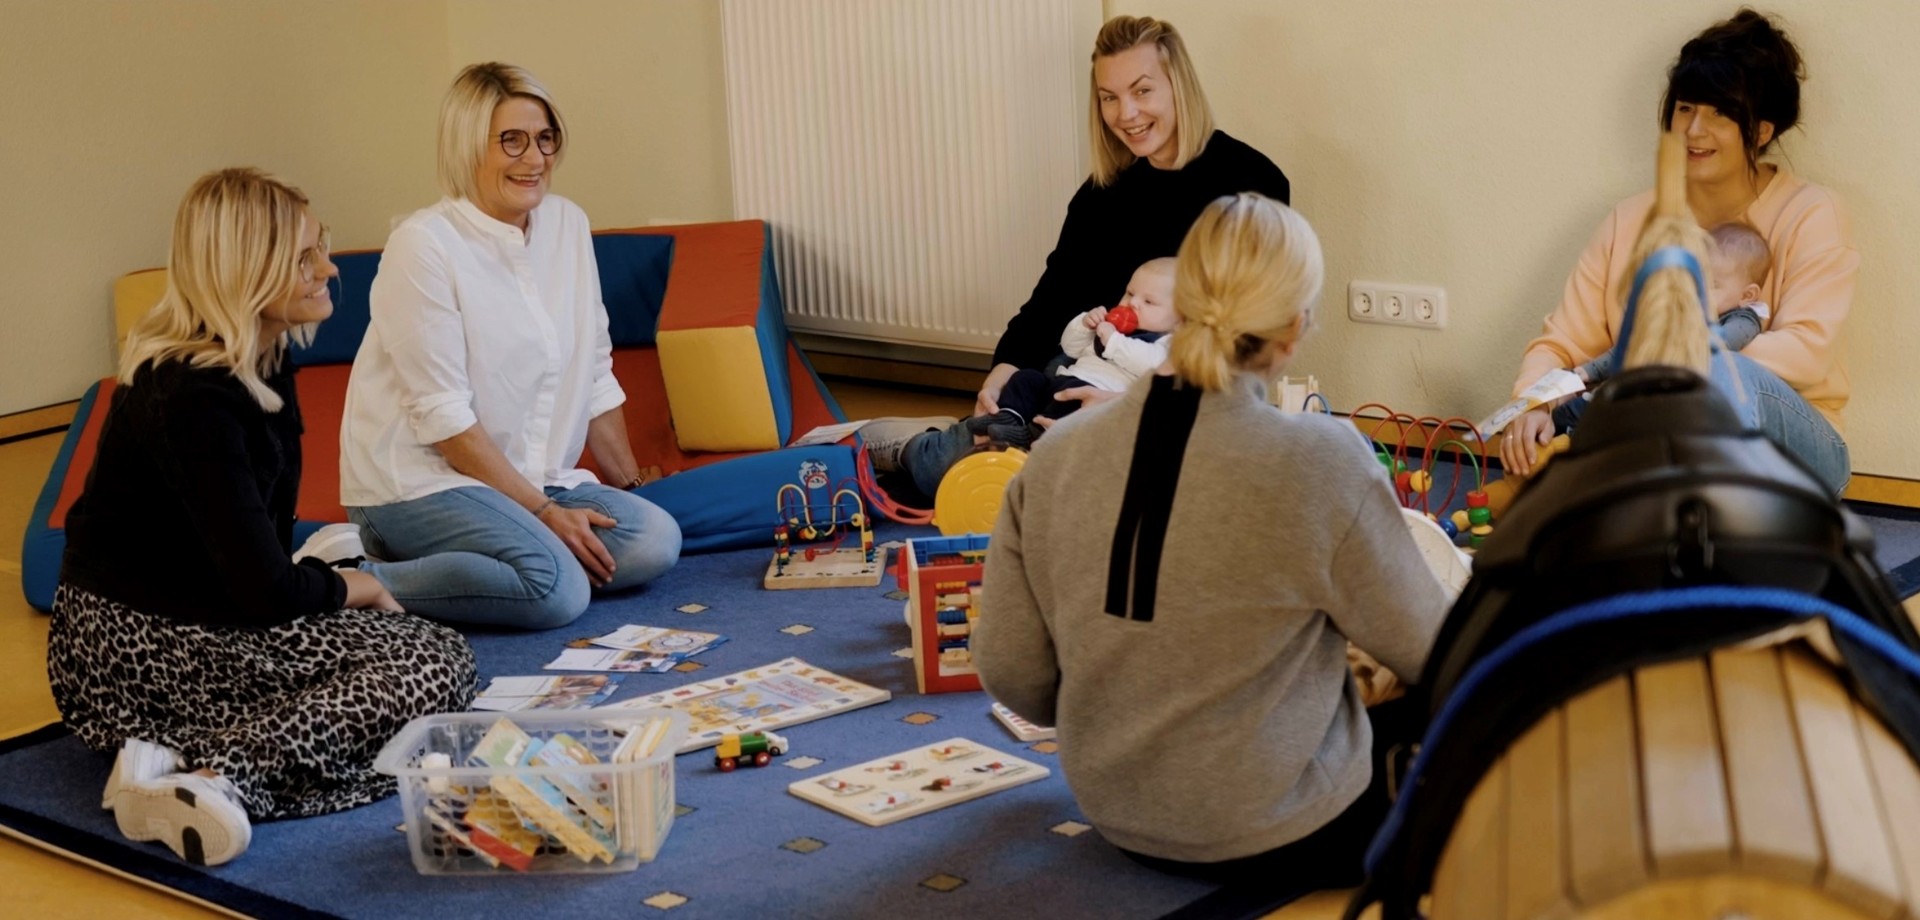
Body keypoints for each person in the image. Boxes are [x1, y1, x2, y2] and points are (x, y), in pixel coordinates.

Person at [973, 193, 1448, 900]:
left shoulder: (1058, 452)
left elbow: (1016, 677)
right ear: (1295, 328)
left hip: (1115, 811)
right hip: (1286, 830)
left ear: (1181, 302)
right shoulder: (1321, 460)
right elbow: (1436, 653)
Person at [47, 168, 478, 867]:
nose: (327, 269)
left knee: (425, 663)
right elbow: (266, 592)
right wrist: (353, 587)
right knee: (431, 663)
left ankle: (178, 766)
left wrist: (328, 590)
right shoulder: (194, 396)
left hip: (204, 616)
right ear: (250, 268)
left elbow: (260, 560)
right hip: (136, 652)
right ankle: (217, 779)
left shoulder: (262, 363)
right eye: (306, 257)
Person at [861, 15, 1291, 499]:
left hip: (1183, 396)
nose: (1125, 113)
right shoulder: (1101, 195)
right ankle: (914, 447)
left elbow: (1245, 345)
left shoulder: (1253, 186)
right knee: (968, 475)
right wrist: (1002, 372)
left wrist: (1130, 404)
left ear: (1178, 86)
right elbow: (1050, 301)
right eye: (1109, 97)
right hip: (1076, 379)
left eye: (1142, 91)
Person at [338, 62, 682, 629]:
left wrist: (631, 489)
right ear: (468, 147)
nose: (535, 158)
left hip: (530, 479)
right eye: (512, 141)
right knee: (556, 589)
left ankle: (495, 557)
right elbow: (443, 419)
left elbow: (594, 373)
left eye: (546, 138)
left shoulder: (568, 225)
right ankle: (349, 577)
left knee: (653, 539)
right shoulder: (423, 245)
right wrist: (545, 513)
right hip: (417, 486)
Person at [1502, 10, 1855, 494]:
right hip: (1656, 434)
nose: (1693, 130)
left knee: (1714, 369)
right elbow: (1561, 345)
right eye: (1686, 108)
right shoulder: (1630, 220)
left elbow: (1806, 352)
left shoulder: (1812, 212)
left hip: (1796, 448)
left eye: (1719, 114)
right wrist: (1533, 403)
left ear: (1762, 131)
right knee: (1558, 429)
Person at [1557, 221, 1772, 430]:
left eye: (1713, 285)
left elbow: (1723, 342)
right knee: (1564, 415)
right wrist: (1585, 371)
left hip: (1652, 408)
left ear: (1747, 295)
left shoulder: (1744, 320)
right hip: (1611, 394)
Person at [972, 257, 1180, 449]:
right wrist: (1084, 325)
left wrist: (1114, 341)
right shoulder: (1111, 324)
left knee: (1071, 403)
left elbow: (1151, 364)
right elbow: (1071, 347)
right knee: (1027, 378)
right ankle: (1007, 418)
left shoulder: (1168, 344)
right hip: (1062, 382)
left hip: (1093, 397)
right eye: (1130, 293)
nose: (1133, 303)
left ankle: (1031, 436)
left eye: (1149, 302)